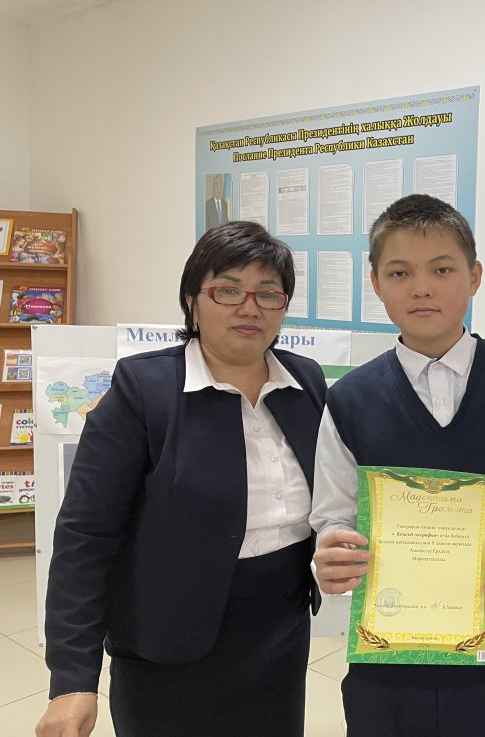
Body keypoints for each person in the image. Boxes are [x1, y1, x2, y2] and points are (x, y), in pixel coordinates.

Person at [36, 221, 326, 737]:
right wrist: (73, 678)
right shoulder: (144, 389)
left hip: (280, 632)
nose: (250, 308)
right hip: (168, 641)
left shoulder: (304, 381)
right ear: (193, 299)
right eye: (228, 290)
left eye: (268, 293)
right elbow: (86, 536)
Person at [310, 193, 485, 737]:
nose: (421, 287)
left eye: (442, 269)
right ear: (376, 283)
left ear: (474, 276)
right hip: (386, 667)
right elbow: (333, 515)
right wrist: (334, 550)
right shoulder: (349, 399)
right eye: (399, 272)